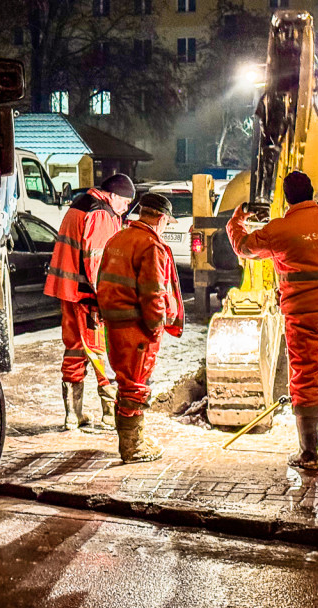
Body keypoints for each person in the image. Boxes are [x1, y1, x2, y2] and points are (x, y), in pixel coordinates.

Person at [227, 171, 318, 469]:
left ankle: (309, 455)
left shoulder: (279, 229)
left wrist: (235, 221)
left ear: (287, 197)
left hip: (303, 314)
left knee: (306, 377)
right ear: (311, 191)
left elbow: (244, 248)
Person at [97, 193, 184, 463]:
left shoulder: (118, 238)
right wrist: (157, 325)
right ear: (160, 218)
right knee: (135, 385)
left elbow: (102, 278)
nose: (166, 228)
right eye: (167, 223)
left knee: (125, 381)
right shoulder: (151, 246)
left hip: (115, 323)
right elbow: (154, 293)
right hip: (138, 326)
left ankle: (134, 439)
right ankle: (133, 447)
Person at [44, 173, 135, 430]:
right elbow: (97, 260)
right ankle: (109, 414)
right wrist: (105, 297)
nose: (126, 208)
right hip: (87, 295)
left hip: (69, 290)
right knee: (100, 350)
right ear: (113, 195)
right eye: (126, 202)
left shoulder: (80, 204)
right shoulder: (101, 214)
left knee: (74, 347)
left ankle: (72, 415)